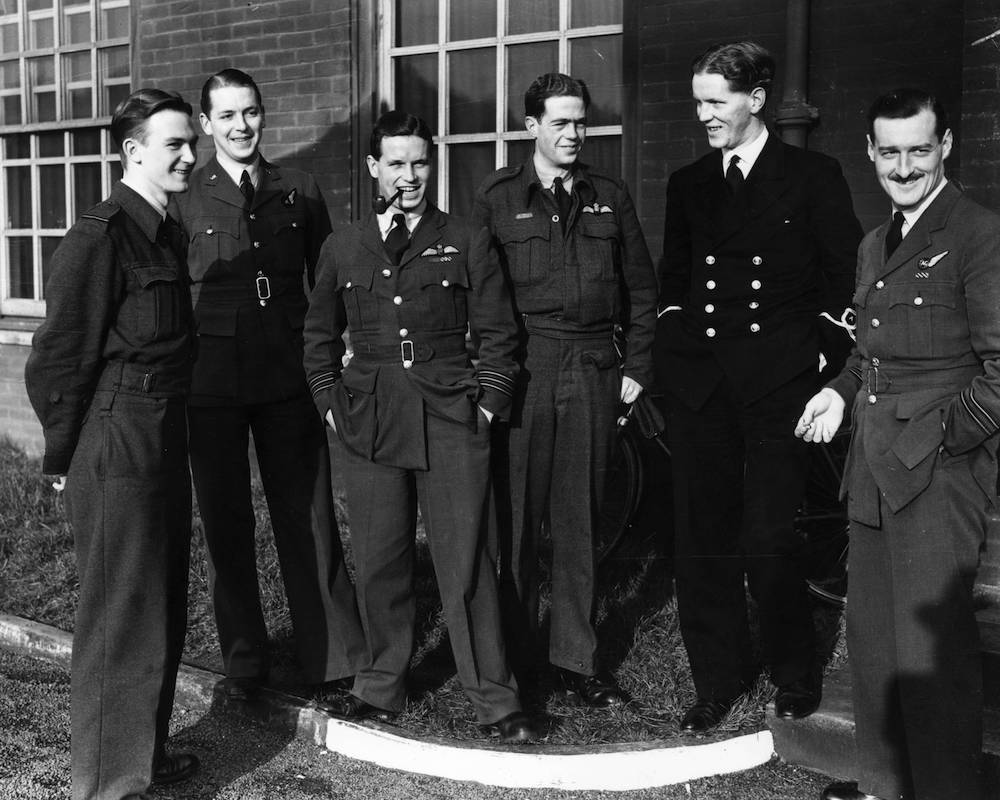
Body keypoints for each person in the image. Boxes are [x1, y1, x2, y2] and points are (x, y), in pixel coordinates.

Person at [302, 110, 544, 743]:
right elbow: (318, 339)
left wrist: (487, 406)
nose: (409, 176)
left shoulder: (465, 236)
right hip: (371, 418)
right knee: (380, 558)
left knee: (466, 561)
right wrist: (331, 403)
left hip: (450, 414)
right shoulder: (345, 244)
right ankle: (381, 686)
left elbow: (499, 335)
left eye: (420, 163)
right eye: (397, 164)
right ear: (374, 168)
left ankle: (495, 696)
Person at [654, 41, 863, 733]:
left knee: (772, 537)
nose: (705, 115)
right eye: (699, 102)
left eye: (717, 101)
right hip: (702, 386)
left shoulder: (813, 174)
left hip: (779, 383)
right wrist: (676, 357)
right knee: (702, 537)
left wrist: (821, 368)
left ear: (756, 98)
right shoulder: (688, 184)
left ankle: (794, 672)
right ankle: (718, 677)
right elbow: (674, 284)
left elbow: (843, 282)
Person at [797, 88, 998, 800]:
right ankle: (885, 787)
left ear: (945, 147)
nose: (904, 166)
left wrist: (941, 441)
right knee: (877, 647)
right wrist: (839, 391)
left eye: (919, 149)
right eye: (890, 152)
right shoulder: (875, 241)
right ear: (872, 154)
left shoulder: (977, 234)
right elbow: (868, 351)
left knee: (932, 657)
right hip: (874, 472)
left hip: (938, 479)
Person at [25, 89, 200, 798]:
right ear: (133, 152)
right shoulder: (99, 236)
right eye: (175, 145)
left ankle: (144, 757)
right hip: (116, 431)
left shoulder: (165, 229)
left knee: (159, 599)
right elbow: (57, 357)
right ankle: (106, 785)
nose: (191, 155)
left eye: (192, 142)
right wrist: (65, 455)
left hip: (161, 428)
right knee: (120, 610)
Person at [172, 68, 365, 701]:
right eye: (226, 116)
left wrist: (329, 367)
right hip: (212, 385)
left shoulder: (299, 190)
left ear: (263, 113)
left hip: (287, 375)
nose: (241, 126)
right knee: (227, 522)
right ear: (206, 125)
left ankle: (331, 661)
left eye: (250, 112)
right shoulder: (183, 197)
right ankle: (245, 664)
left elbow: (328, 282)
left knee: (308, 517)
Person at [472, 73, 657, 706]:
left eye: (581, 123)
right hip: (527, 367)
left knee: (581, 517)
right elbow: (479, 295)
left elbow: (642, 289)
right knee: (519, 520)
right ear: (531, 128)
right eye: (559, 123)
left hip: (592, 369)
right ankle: (521, 660)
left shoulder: (610, 195)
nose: (573, 134)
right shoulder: (498, 200)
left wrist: (636, 365)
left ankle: (577, 662)